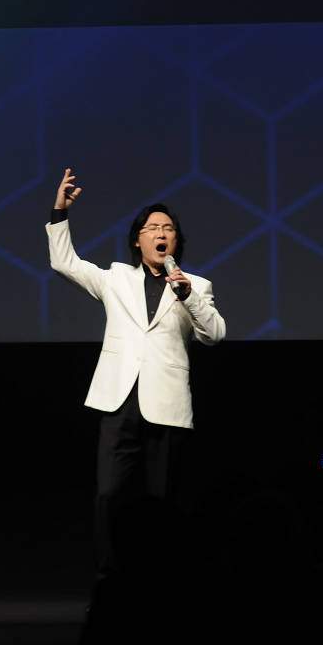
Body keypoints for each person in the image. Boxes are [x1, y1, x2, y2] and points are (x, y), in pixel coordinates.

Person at [45, 167, 226, 583]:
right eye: (153, 228)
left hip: (166, 404)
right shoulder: (116, 279)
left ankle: (163, 578)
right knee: (108, 494)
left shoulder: (196, 285)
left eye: (168, 229)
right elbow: (64, 262)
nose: (161, 233)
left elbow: (215, 334)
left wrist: (188, 296)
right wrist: (60, 212)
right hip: (119, 401)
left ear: (176, 241)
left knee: (164, 497)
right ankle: (109, 577)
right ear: (138, 240)